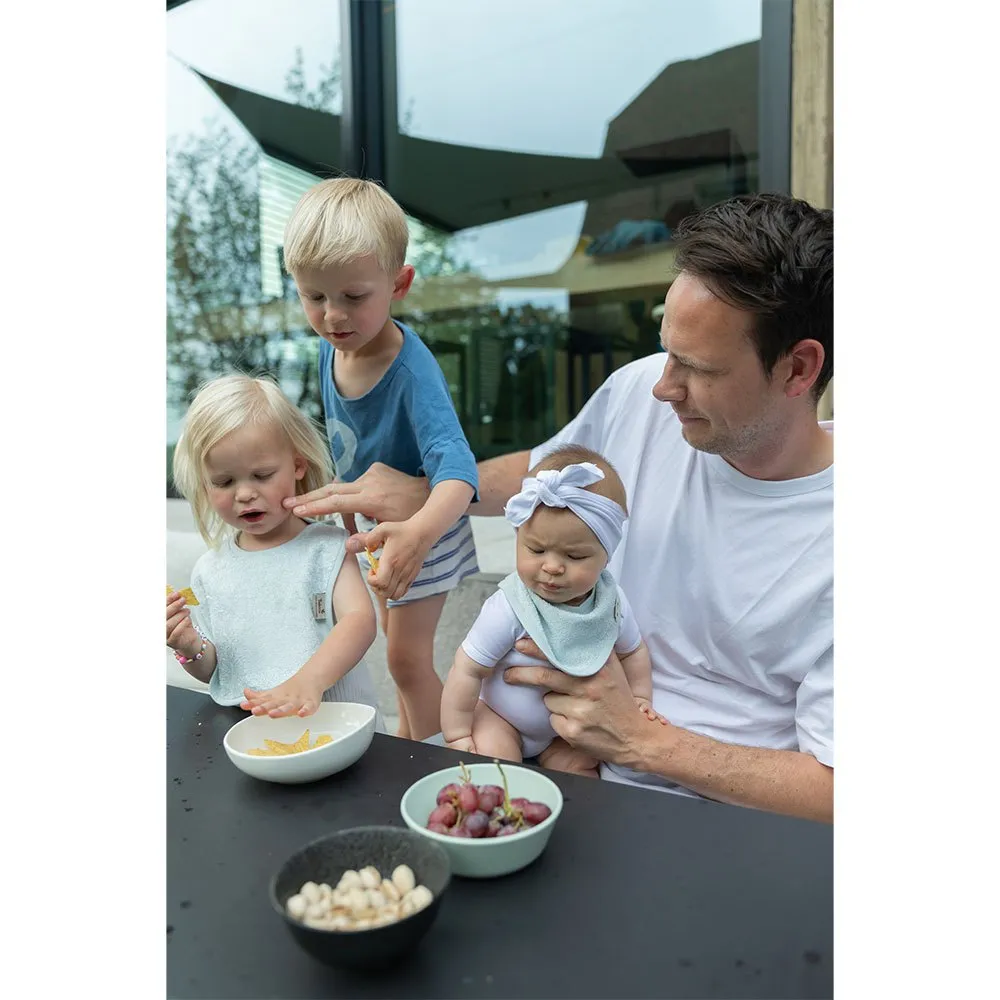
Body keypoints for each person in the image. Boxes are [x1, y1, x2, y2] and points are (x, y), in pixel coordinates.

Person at [285, 193, 834, 823]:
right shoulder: (640, 391)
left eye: (696, 367)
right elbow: (543, 471)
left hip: (704, 820)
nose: (662, 386)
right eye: (665, 351)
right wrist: (429, 490)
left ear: (798, 369)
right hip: (551, 771)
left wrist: (640, 742)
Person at [280, 178, 479, 740]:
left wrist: (417, 534)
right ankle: (412, 752)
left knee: (406, 662)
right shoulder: (332, 351)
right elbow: (348, 447)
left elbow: (460, 472)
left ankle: (447, 762)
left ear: (399, 284)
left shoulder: (411, 371)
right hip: (376, 532)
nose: (332, 316)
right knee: (398, 654)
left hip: (423, 532)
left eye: (353, 297)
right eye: (314, 297)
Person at [166, 373, 384, 728]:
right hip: (254, 737)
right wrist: (191, 647)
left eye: (262, 475)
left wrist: (308, 681)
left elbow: (359, 621)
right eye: (224, 481)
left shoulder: (327, 548)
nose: (244, 493)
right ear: (205, 487)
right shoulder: (209, 570)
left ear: (297, 465)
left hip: (338, 728)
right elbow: (217, 669)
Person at [441, 447, 661, 777]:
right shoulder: (511, 607)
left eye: (574, 556)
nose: (553, 567)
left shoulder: (611, 603)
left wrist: (640, 698)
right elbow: (467, 669)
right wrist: (457, 733)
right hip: (501, 718)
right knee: (495, 766)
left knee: (583, 770)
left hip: (565, 732)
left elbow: (633, 652)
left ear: (606, 554)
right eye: (537, 549)